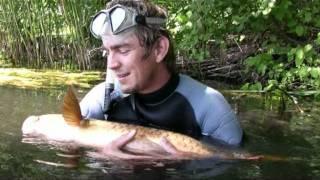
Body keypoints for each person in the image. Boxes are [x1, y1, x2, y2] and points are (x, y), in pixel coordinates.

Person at [80, 0, 243, 159]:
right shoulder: (103, 99)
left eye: (123, 50)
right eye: (107, 52)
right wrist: (102, 157)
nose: (111, 64)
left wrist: (180, 166)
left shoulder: (209, 107)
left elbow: (236, 164)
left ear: (159, 49)